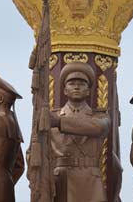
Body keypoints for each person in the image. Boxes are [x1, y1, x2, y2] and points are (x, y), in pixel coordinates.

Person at [49, 62, 110, 202]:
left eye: (82, 84)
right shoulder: (52, 115)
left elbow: (98, 128)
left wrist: (59, 122)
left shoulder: (100, 116)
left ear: (88, 91)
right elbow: (34, 150)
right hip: (61, 180)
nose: (76, 86)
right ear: (65, 90)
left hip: (90, 179)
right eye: (72, 83)